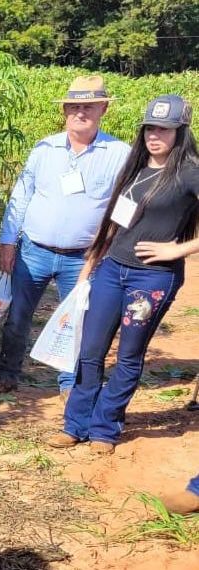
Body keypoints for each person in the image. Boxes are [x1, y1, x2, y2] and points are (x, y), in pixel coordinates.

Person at [48, 95, 198, 454]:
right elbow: (114, 224)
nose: (154, 135)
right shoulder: (136, 167)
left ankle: (105, 429)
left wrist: (178, 249)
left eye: (164, 129)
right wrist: (89, 268)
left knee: (129, 355)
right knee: (91, 349)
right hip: (111, 270)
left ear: (181, 132)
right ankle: (75, 423)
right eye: (149, 128)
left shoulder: (190, 171)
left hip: (152, 279)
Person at [0, 76, 131, 399]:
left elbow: (124, 206)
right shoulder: (44, 149)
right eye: (74, 106)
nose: (80, 112)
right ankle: (6, 375)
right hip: (34, 249)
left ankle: (68, 385)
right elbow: (21, 195)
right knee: (18, 316)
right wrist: (7, 242)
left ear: (103, 108)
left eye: (88, 106)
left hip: (84, 256)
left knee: (76, 321)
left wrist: (109, 248)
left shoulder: (119, 153)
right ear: (64, 110)